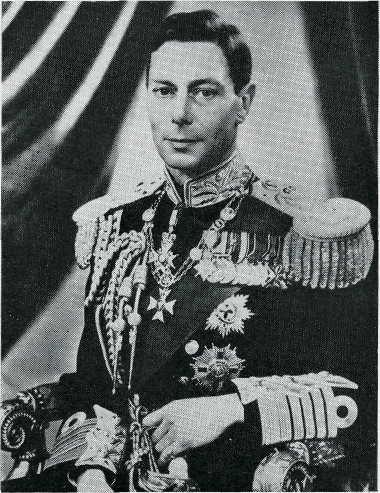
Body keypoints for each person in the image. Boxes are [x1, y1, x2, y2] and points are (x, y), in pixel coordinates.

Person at [2, 10, 375, 492]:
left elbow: (360, 397)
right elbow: (95, 389)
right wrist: (92, 468)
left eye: (204, 91)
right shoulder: (114, 225)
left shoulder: (303, 234)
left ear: (244, 102)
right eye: (164, 90)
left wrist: (232, 407)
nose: (179, 113)